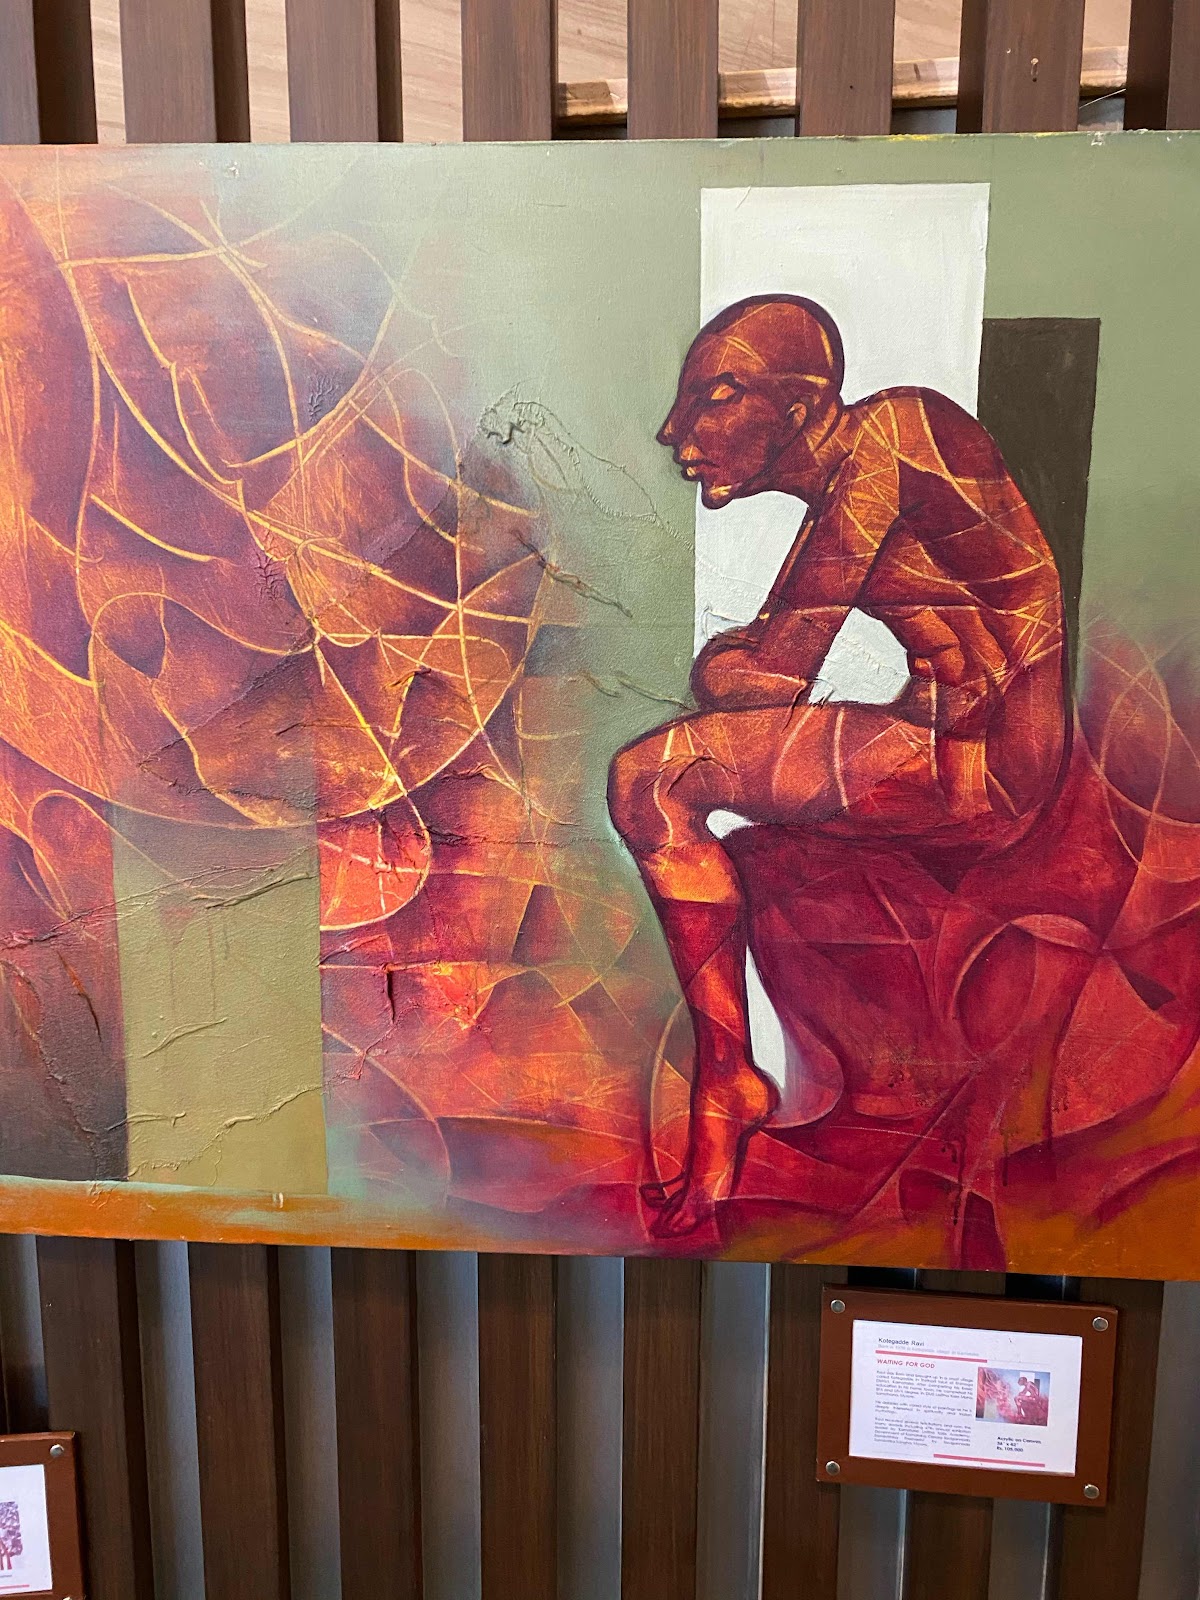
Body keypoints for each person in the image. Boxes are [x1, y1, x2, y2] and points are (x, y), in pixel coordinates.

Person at [608, 294, 1069, 1236]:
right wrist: (738, 666)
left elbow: (768, 675)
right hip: (947, 743)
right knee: (661, 780)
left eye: (716, 396)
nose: (675, 430)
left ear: (800, 407)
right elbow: (770, 666)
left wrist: (726, 664)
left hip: (986, 766)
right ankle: (731, 1079)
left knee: (652, 781)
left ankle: (727, 1078)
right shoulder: (857, 482)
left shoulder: (892, 436)